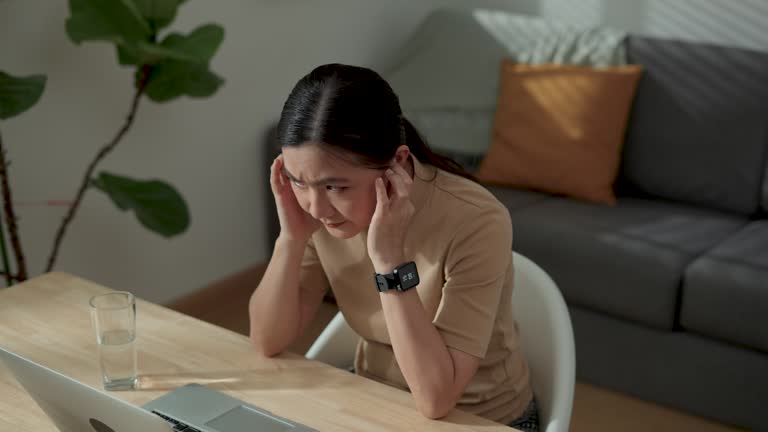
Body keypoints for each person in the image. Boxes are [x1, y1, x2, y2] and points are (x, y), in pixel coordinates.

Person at [248, 63, 539, 430]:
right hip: (374, 400)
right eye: (298, 182)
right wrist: (290, 237)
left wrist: (389, 261)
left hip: (477, 419)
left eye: (335, 187)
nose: (317, 208)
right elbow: (266, 340)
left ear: (397, 163)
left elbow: (436, 399)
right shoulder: (315, 214)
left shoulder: (476, 220)